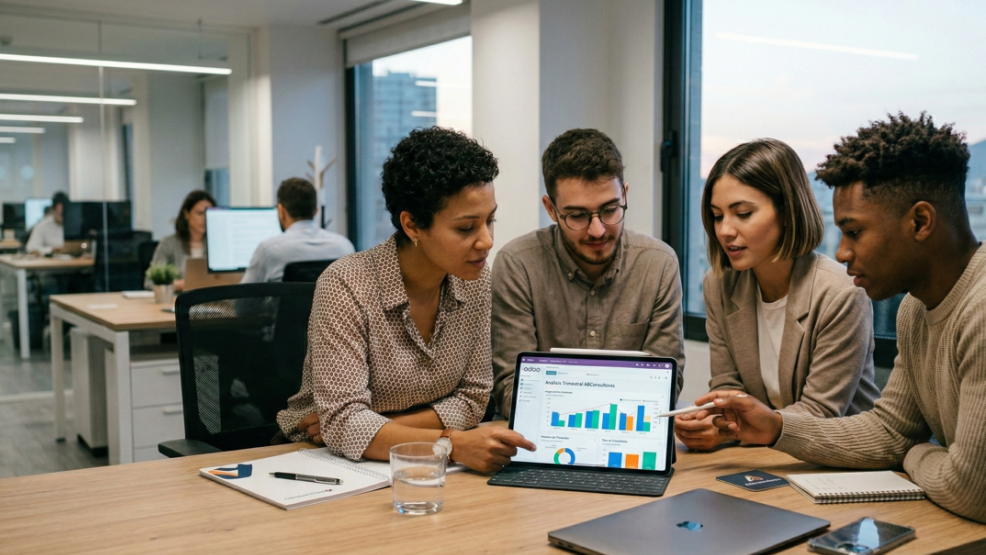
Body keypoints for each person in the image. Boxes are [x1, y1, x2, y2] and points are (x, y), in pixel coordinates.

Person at [694, 113, 986, 525]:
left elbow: (969, 489)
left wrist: (918, 452)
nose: (843, 252)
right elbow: (892, 432)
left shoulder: (981, 311)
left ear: (920, 221)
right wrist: (776, 427)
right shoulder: (915, 309)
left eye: (854, 232)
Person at [275, 127, 536, 473]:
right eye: (466, 228)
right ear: (412, 224)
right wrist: (448, 443)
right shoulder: (346, 285)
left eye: (490, 220)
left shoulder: (474, 280)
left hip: (410, 465)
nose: (486, 241)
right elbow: (344, 424)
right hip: (323, 466)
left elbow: (473, 399)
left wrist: (377, 425)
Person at [674, 139, 880, 451]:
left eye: (742, 213)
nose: (725, 230)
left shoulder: (840, 294)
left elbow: (819, 414)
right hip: (760, 459)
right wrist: (714, 422)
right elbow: (728, 388)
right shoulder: (718, 284)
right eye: (717, 216)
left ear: (787, 212)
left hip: (835, 464)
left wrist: (731, 431)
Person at [491, 128, 685, 418]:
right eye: (578, 215)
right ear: (551, 209)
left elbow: (663, 387)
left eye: (609, 210)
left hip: (628, 434)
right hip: (542, 439)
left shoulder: (658, 265)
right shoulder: (518, 265)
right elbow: (511, 392)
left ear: (625, 195)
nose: (597, 230)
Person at [239, 177, 354, 284]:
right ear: (316, 211)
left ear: (281, 211)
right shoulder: (344, 247)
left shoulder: (268, 250)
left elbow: (242, 303)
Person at [146, 190, 215, 291]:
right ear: (186, 214)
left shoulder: (218, 244)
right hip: (177, 302)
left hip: (213, 303)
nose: (205, 218)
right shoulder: (168, 244)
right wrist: (177, 285)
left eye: (209, 213)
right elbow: (150, 282)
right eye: (200, 213)